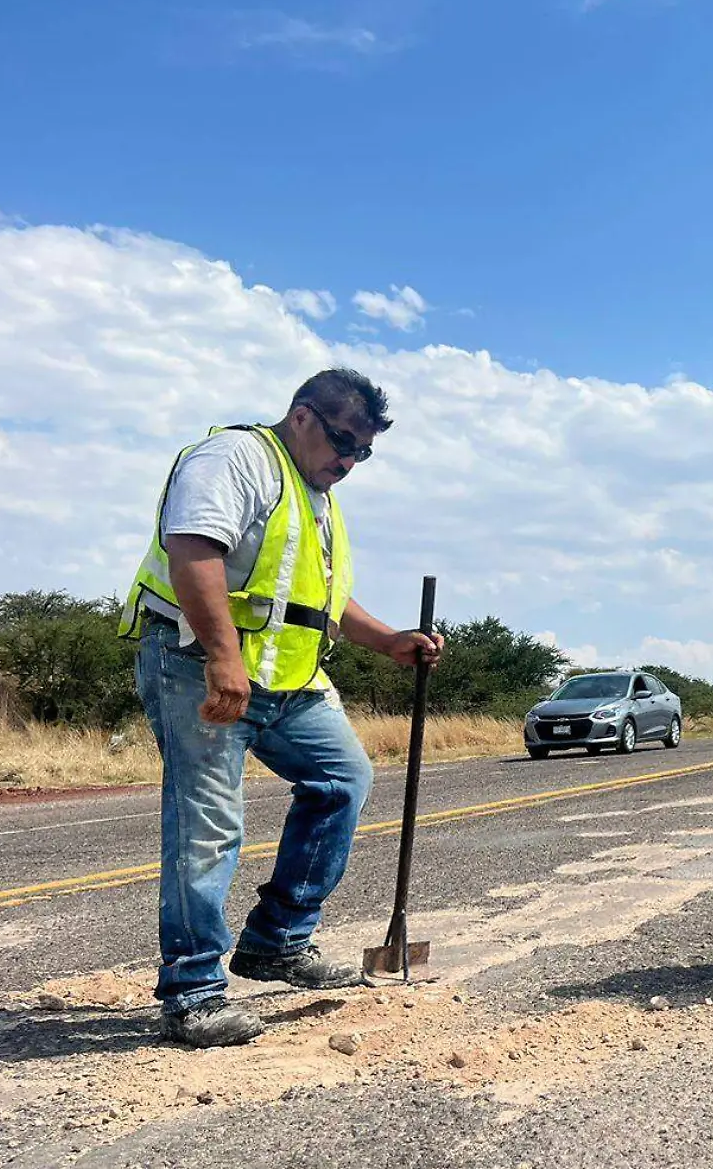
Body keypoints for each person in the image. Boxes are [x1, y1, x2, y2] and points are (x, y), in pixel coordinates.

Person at [119, 368, 444, 1047]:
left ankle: (277, 941)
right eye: (343, 441)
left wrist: (387, 640)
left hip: (288, 682)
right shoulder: (236, 459)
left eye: (363, 452)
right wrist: (222, 657)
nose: (350, 461)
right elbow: (194, 551)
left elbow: (318, 601)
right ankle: (193, 994)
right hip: (195, 664)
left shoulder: (315, 495)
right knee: (209, 827)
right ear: (302, 417)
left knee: (343, 780)